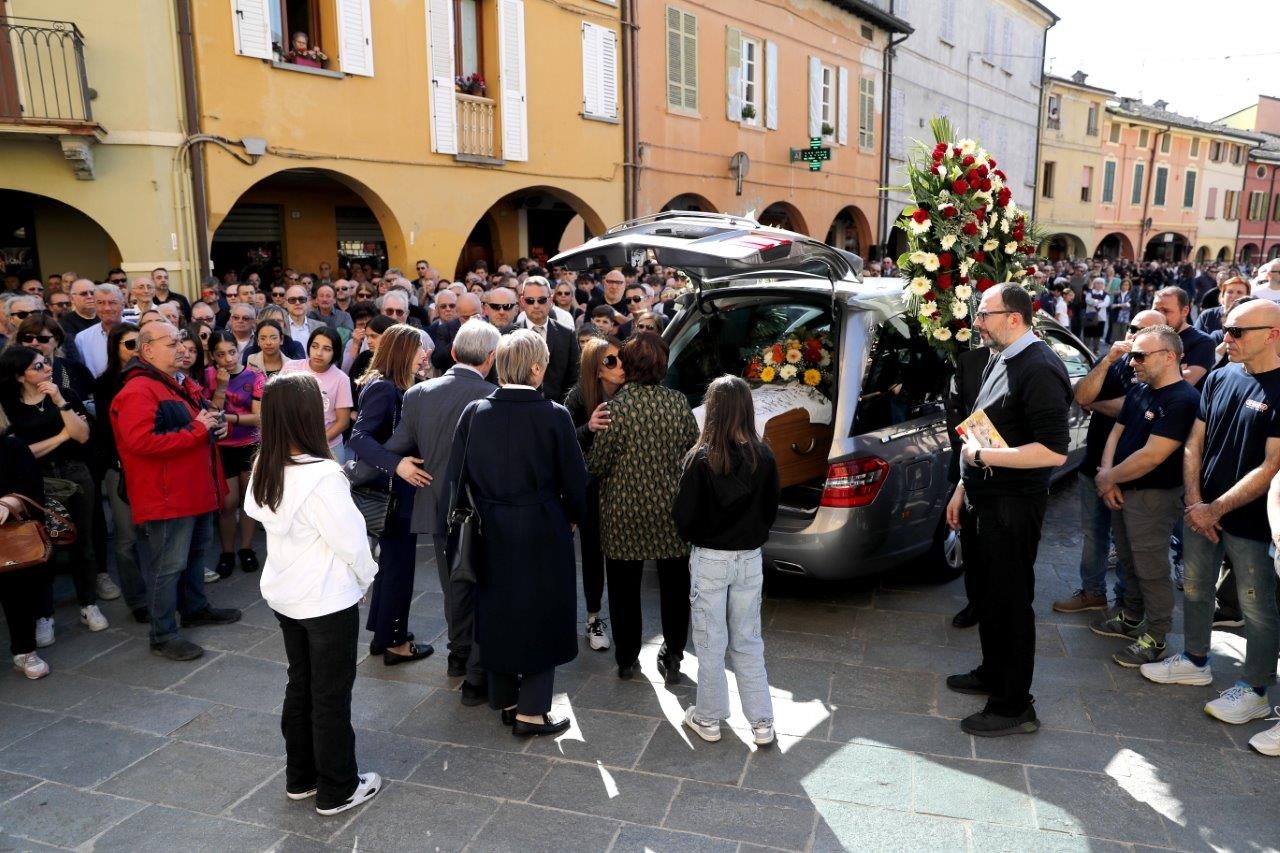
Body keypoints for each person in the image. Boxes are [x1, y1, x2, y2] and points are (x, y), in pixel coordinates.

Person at [243, 373, 381, 816]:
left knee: (301, 683)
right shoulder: (322, 475)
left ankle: (300, 777)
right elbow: (353, 543)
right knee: (330, 694)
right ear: (305, 416)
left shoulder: (266, 464)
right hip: (324, 600)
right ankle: (338, 787)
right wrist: (365, 580)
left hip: (286, 596)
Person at [1142, 299, 1280, 726]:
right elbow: (1194, 442)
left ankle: (1256, 689)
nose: (1226, 338)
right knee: (1196, 590)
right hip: (1202, 511)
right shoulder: (1220, 376)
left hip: (1253, 521)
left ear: (1273, 334)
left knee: (1256, 606)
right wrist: (1194, 499)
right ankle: (1195, 660)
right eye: (1226, 329)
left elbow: (1272, 463)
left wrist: (1213, 507)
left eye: (1238, 332)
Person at [444, 329, 587, 735]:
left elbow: (457, 479)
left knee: (497, 611)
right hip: (541, 527)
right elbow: (576, 482)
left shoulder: (474, 412)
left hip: (489, 528)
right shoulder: (555, 415)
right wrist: (572, 515)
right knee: (542, 614)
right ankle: (531, 711)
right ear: (538, 367)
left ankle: (505, 699)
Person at [944, 283, 1071, 737]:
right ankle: (992, 673)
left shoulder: (1039, 367)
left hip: (1013, 506)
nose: (976, 322)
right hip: (984, 498)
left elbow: (1054, 451)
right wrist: (963, 484)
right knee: (988, 596)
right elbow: (985, 429)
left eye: (984, 314)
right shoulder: (1003, 355)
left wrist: (982, 461)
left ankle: (1014, 704)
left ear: (1014, 317)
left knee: (1011, 601)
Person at [111, 321, 242, 661]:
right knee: (167, 566)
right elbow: (140, 442)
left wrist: (216, 423)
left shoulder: (175, 382)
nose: (181, 347)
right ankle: (163, 633)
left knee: (196, 553)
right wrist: (199, 430)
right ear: (148, 349)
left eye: (182, 340)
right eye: (172, 342)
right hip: (168, 497)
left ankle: (195, 607)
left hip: (193, 489)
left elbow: (200, 418)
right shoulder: (138, 391)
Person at [383, 319, 499, 701]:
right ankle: (474, 661)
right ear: (491, 357)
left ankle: (457, 655)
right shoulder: (494, 396)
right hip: (481, 509)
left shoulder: (418, 394)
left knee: (453, 584)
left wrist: (373, 467)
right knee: (482, 583)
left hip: (436, 505)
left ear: (452, 353)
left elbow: (395, 445)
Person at [673, 375, 779, 747]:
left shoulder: (701, 458)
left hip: (711, 558)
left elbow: (683, 516)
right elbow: (770, 510)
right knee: (749, 641)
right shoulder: (764, 455)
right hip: (749, 558)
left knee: (710, 641)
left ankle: (708, 717)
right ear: (748, 409)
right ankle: (763, 723)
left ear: (713, 409)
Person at [589, 332, 699, 682]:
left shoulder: (614, 408)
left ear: (629, 364)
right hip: (670, 511)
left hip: (623, 513)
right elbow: (691, 451)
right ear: (662, 365)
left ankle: (626, 658)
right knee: (675, 586)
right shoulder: (678, 403)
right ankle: (674, 655)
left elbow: (598, 465)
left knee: (623, 589)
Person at [1092, 325, 1199, 667]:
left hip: (1153, 497)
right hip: (1123, 490)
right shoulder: (1140, 390)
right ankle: (1132, 616)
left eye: (1140, 355)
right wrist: (1107, 477)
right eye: (1131, 354)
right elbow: (1116, 432)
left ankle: (1156, 635)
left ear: (1170, 357)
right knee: (1127, 559)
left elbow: (1153, 455)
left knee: (1151, 568)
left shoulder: (1182, 399)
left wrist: (1109, 477)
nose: (1132, 362)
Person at [1054, 309, 1165, 614]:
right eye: (1132, 327)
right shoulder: (1116, 362)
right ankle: (1092, 592)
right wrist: (1105, 361)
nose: (1134, 335)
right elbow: (1082, 395)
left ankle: (1126, 603)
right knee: (1093, 534)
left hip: (1133, 473)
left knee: (1128, 544)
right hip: (1094, 465)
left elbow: (1131, 408)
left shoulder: (1158, 370)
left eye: (1144, 330)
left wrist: (1095, 403)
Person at [0, 346, 107, 638]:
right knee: (43, 546)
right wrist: (62, 435)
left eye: (45, 362)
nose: (46, 368)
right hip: (36, 480)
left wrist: (60, 400)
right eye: (37, 366)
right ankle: (44, 614)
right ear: (20, 376)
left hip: (76, 473)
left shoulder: (65, 395)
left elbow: (83, 436)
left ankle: (89, 603)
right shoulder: (9, 405)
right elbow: (20, 454)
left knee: (83, 542)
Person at [349, 325, 435, 665]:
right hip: (393, 493)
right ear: (402, 352)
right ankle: (396, 643)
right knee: (399, 568)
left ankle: (384, 635)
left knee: (391, 566)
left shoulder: (391, 384)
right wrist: (397, 464)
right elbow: (359, 437)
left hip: (397, 493)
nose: (425, 354)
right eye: (419, 349)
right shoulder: (384, 388)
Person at [562, 335, 624, 650]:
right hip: (589, 489)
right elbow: (562, 441)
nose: (620, 365)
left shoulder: (630, 395)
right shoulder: (578, 396)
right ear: (596, 369)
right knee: (592, 552)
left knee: (622, 556)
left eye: (621, 357)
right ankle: (593, 617)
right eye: (610, 361)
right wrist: (590, 427)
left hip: (624, 487)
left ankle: (623, 621)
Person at [93, 323, 149, 622]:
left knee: (157, 536)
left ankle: (164, 592)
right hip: (121, 468)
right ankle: (137, 600)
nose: (136, 350)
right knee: (126, 539)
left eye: (139, 343)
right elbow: (106, 431)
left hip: (151, 469)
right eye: (129, 344)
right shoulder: (105, 385)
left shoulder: (156, 377)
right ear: (115, 348)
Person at [204, 331, 264, 577]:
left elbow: (259, 417)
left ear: (238, 350)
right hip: (222, 447)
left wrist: (227, 418)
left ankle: (246, 548)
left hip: (249, 445)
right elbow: (210, 411)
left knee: (247, 502)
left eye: (231, 352)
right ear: (213, 356)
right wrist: (221, 387)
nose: (228, 359)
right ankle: (227, 551)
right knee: (227, 504)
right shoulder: (208, 375)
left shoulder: (255, 377)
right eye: (221, 354)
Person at [0, 407, 50, 679]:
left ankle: (24, 651)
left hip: (9, 536)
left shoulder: (12, 447)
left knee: (16, 591)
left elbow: (33, 490)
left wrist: (9, 501)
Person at [281, 327, 352, 461]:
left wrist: (314, 443)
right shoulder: (291, 367)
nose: (319, 353)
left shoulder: (341, 379)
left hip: (328, 447)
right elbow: (278, 404)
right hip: (291, 445)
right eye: (315, 346)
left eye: (327, 349)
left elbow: (343, 422)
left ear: (335, 353)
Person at [508, 276, 579, 404]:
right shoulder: (507, 335)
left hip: (556, 409)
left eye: (542, 300)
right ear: (522, 302)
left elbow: (574, 378)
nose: (536, 305)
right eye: (530, 300)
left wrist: (563, 409)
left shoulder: (567, 334)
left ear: (550, 300)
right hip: (516, 408)